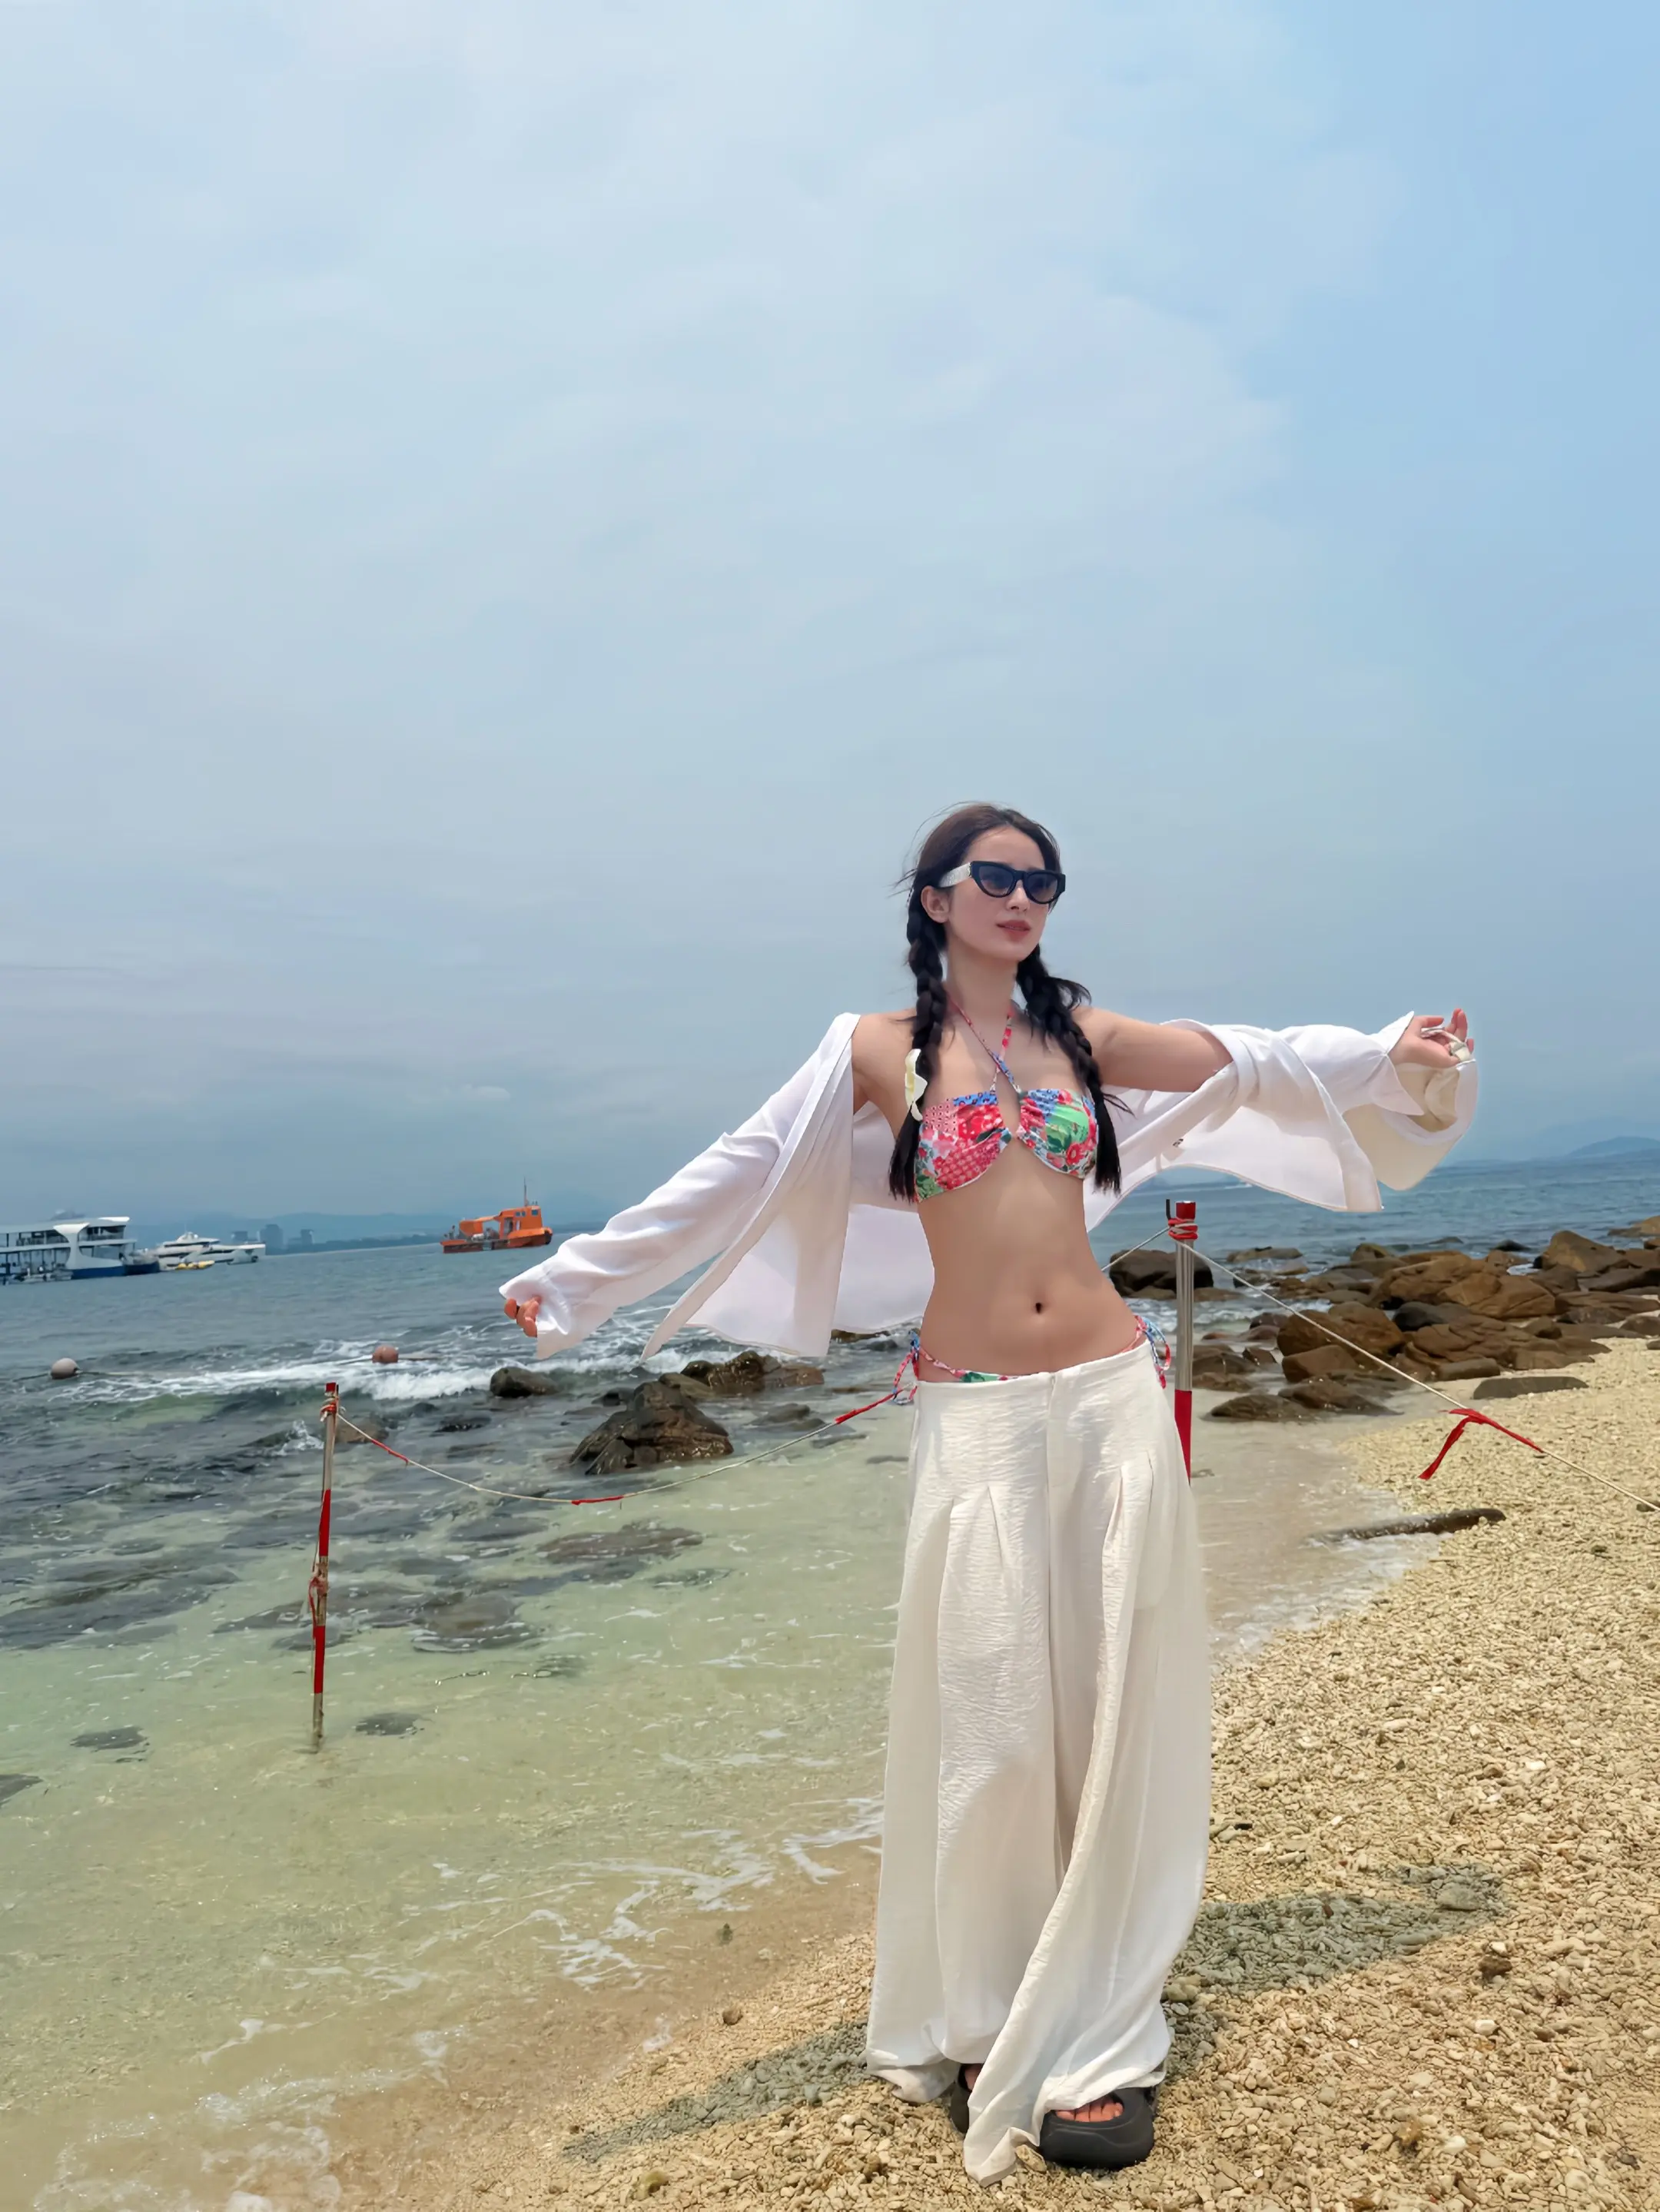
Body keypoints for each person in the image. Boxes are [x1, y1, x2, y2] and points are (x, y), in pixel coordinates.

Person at [500, 802, 1476, 2182]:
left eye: (1045, 880)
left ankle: (1104, 2023)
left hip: (1110, 1395)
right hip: (978, 1417)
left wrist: (1389, 1052)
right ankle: (987, 2012)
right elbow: (740, 1171)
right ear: (937, 896)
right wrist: (578, 1281)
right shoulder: (876, 1047)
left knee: (1118, 1714)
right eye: (998, 876)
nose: (1025, 897)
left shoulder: (1079, 1033)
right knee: (997, 1729)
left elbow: (1247, 1059)